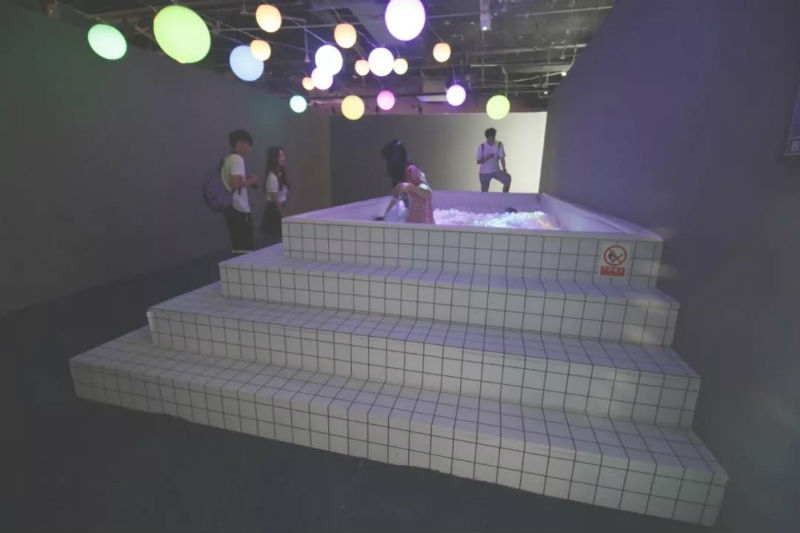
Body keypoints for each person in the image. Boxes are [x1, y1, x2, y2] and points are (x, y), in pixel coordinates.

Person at [221, 130, 258, 254]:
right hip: (239, 209)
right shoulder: (237, 159)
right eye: (249, 144)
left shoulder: (228, 158)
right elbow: (236, 183)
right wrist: (252, 181)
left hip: (230, 208)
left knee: (237, 245)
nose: (250, 149)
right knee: (245, 246)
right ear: (239, 143)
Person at [261, 146, 289, 241]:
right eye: (280, 156)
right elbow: (275, 198)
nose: (283, 158)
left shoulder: (281, 174)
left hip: (280, 208)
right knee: (276, 240)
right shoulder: (272, 176)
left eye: (283, 155)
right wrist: (282, 214)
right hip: (274, 211)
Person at [476, 127, 511, 192]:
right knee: (484, 191)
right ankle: (485, 198)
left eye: (493, 138)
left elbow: (502, 158)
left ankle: (504, 196)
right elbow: (478, 161)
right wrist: (487, 158)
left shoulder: (499, 144)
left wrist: (504, 169)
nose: (492, 140)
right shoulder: (482, 146)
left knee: (507, 179)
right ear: (487, 138)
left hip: (496, 170)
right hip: (484, 172)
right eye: (490, 138)